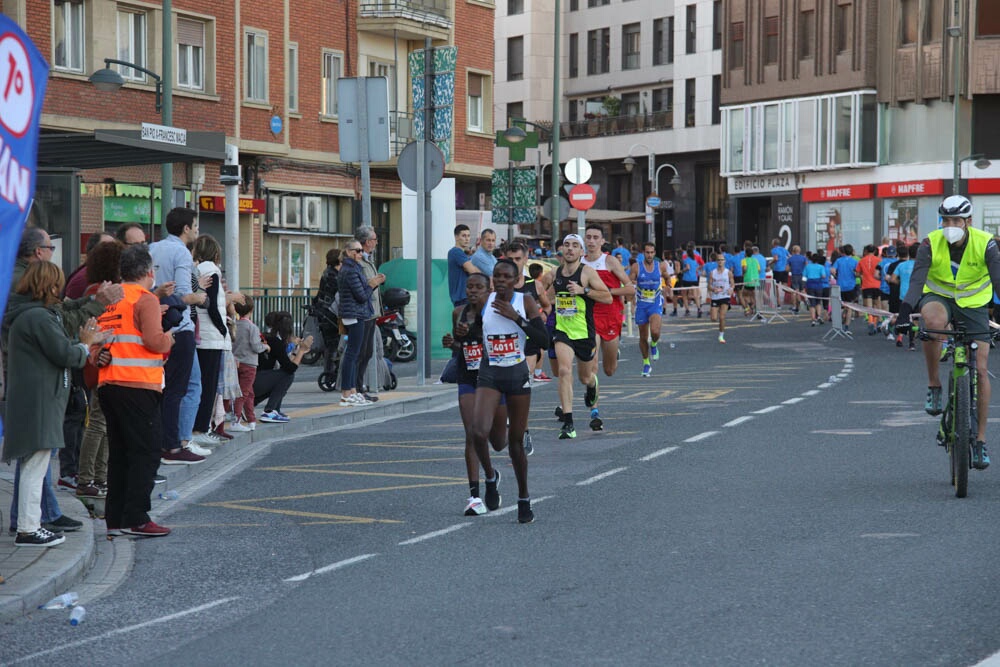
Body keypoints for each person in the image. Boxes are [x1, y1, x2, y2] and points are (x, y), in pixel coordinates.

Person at [2, 263, 103, 546]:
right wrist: (85, 344)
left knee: (35, 464)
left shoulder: (33, 315)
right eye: (57, 285)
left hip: (35, 398)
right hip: (39, 400)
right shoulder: (38, 317)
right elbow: (65, 354)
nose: (61, 291)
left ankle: (29, 525)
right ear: (49, 286)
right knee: (35, 465)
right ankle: (28, 528)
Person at [897, 195, 1000, 470]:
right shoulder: (931, 242)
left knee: (980, 369)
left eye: (956, 220)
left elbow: (998, 278)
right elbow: (918, 278)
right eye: (945, 220)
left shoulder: (985, 242)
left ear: (968, 221)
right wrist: (905, 312)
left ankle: (979, 441)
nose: (950, 225)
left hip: (974, 304)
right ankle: (934, 384)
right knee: (931, 321)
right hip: (939, 296)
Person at [97, 245, 176, 537]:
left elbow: (96, 337)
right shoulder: (146, 299)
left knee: (119, 453)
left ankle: (115, 518)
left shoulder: (110, 298)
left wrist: (97, 357)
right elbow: (154, 342)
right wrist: (169, 339)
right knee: (146, 451)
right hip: (138, 384)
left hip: (109, 383)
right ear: (149, 272)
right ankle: (137, 518)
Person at [469, 259, 547, 523]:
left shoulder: (525, 302)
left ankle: (524, 498)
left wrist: (517, 319)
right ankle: (490, 478)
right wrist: (458, 337)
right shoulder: (484, 301)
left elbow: (543, 339)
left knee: (514, 443)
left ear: (516, 281)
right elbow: (474, 332)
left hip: (516, 375)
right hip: (490, 374)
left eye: (506, 277)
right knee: (478, 432)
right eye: (497, 276)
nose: (500, 281)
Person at [441, 273, 508, 515]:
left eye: (478, 287)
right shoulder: (458, 313)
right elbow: (461, 349)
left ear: (489, 290)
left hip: (494, 380)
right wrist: (454, 342)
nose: (473, 291)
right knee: (472, 434)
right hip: (468, 379)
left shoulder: (498, 312)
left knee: (499, 443)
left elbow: (503, 343)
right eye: (469, 287)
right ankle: (474, 496)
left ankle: (493, 475)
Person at [149, 207, 207, 465]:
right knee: (177, 389)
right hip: (179, 327)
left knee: (177, 386)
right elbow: (184, 294)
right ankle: (172, 446)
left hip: (155, 322)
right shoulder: (181, 252)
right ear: (186, 228)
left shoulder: (153, 248)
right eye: (195, 225)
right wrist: (200, 297)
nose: (197, 230)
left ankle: (176, 441)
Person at [548, 234, 613, 439]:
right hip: (562, 331)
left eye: (575, 246)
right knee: (564, 370)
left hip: (584, 333)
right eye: (566, 245)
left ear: (581, 252)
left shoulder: (587, 273)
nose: (570, 249)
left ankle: (593, 386)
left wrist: (583, 290)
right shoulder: (553, 273)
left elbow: (608, 297)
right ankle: (568, 423)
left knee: (585, 377)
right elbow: (542, 295)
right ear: (562, 250)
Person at [76, 240, 124, 500]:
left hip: (104, 359)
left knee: (104, 423)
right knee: (98, 423)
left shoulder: (96, 289)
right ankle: (87, 478)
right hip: (100, 360)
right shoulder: (102, 292)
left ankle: (100, 477)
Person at [190, 235, 230, 449]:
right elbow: (211, 305)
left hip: (200, 334)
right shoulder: (212, 271)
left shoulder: (197, 270)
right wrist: (223, 328)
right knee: (209, 384)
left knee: (201, 383)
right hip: (210, 337)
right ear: (215, 253)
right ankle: (200, 428)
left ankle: (197, 427)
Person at [581, 224, 633, 383]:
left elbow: (630, 289)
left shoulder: (609, 261)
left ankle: (614, 353)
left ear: (602, 241)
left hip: (610, 315)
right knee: (593, 363)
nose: (591, 241)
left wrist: (607, 292)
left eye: (595, 238)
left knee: (609, 370)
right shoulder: (579, 262)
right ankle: (593, 404)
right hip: (588, 317)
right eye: (588, 237)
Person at [338, 242, 377, 406]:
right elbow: (361, 296)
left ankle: (352, 390)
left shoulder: (353, 268)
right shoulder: (351, 270)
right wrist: (372, 285)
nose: (361, 253)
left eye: (361, 250)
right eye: (358, 250)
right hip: (354, 314)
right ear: (349, 252)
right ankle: (347, 392)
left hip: (355, 313)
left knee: (354, 354)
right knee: (352, 354)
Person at [254, 311, 310, 420]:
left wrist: (296, 351)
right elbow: (290, 368)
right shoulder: (275, 341)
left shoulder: (268, 337)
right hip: (256, 380)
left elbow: (286, 364)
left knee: (281, 378)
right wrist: (301, 351)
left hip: (255, 380)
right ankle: (269, 411)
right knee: (287, 376)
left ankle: (273, 409)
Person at [354, 226, 386, 402]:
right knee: (360, 352)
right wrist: (374, 282)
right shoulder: (359, 262)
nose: (376, 242)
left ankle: (359, 387)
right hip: (363, 312)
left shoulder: (368, 260)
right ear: (367, 242)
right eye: (374, 239)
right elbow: (361, 286)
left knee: (367, 352)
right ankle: (355, 388)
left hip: (371, 312)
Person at [630, 243, 669, 376]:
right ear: (643, 253)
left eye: (652, 252)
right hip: (642, 304)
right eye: (647, 252)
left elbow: (666, 276)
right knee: (642, 337)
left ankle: (654, 344)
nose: (650, 255)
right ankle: (646, 363)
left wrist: (668, 283)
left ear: (655, 253)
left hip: (655, 303)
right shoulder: (636, 266)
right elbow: (630, 281)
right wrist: (636, 285)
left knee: (655, 331)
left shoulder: (661, 265)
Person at [230, 296, 269, 431]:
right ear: (251, 310)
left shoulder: (235, 325)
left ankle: (251, 419)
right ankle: (236, 420)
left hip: (236, 363)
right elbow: (256, 347)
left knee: (248, 392)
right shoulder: (252, 327)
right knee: (244, 393)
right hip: (249, 364)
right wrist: (265, 347)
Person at [312, 249, 341, 378]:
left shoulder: (327, 273)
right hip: (329, 313)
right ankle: (330, 372)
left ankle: (330, 370)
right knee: (332, 342)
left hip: (324, 311)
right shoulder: (333, 276)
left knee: (331, 343)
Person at [447, 224, 480, 306]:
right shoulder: (456, 252)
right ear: (456, 237)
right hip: (462, 298)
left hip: (464, 297)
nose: (467, 239)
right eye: (464, 236)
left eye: (468, 236)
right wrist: (474, 269)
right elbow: (473, 271)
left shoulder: (463, 254)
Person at [856, 244, 882, 335]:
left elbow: (857, 273)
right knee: (876, 305)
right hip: (877, 285)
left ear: (866, 251)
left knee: (869, 306)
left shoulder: (861, 261)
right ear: (874, 251)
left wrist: (862, 275)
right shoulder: (879, 260)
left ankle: (870, 322)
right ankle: (876, 323)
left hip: (866, 285)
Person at [832, 244, 859, 331]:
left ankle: (838, 322)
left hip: (840, 285)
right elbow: (858, 273)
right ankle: (847, 326)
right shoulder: (854, 261)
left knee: (840, 305)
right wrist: (855, 275)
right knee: (849, 306)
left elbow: (832, 270)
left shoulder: (839, 260)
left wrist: (836, 276)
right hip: (851, 286)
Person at [708, 252, 734, 343]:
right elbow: (709, 286)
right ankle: (717, 310)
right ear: (716, 261)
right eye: (718, 260)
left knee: (722, 317)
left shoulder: (728, 272)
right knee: (714, 318)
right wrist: (713, 289)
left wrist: (731, 289)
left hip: (725, 296)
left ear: (724, 261)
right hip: (715, 297)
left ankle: (721, 336)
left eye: (722, 260)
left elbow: (732, 284)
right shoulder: (712, 273)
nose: (720, 261)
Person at [803, 253, 829, 326]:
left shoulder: (807, 266)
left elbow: (804, 277)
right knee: (818, 302)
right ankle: (819, 317)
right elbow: (823, 276)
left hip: (810, 285)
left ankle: (813, 319)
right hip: (818, 285)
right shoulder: (821, 267)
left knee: (812, 303)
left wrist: (803, 286)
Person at [787, 245, 808, 314]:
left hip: (794, 275)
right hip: (802, 275)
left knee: (795, 291)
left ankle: (795, 305)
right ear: (799, 251)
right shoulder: (803, 258)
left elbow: (787, 269)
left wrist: (791, 269)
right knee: (803, 289)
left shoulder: (790, 259)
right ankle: (806, 300)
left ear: (793, 251)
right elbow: (807, 266)